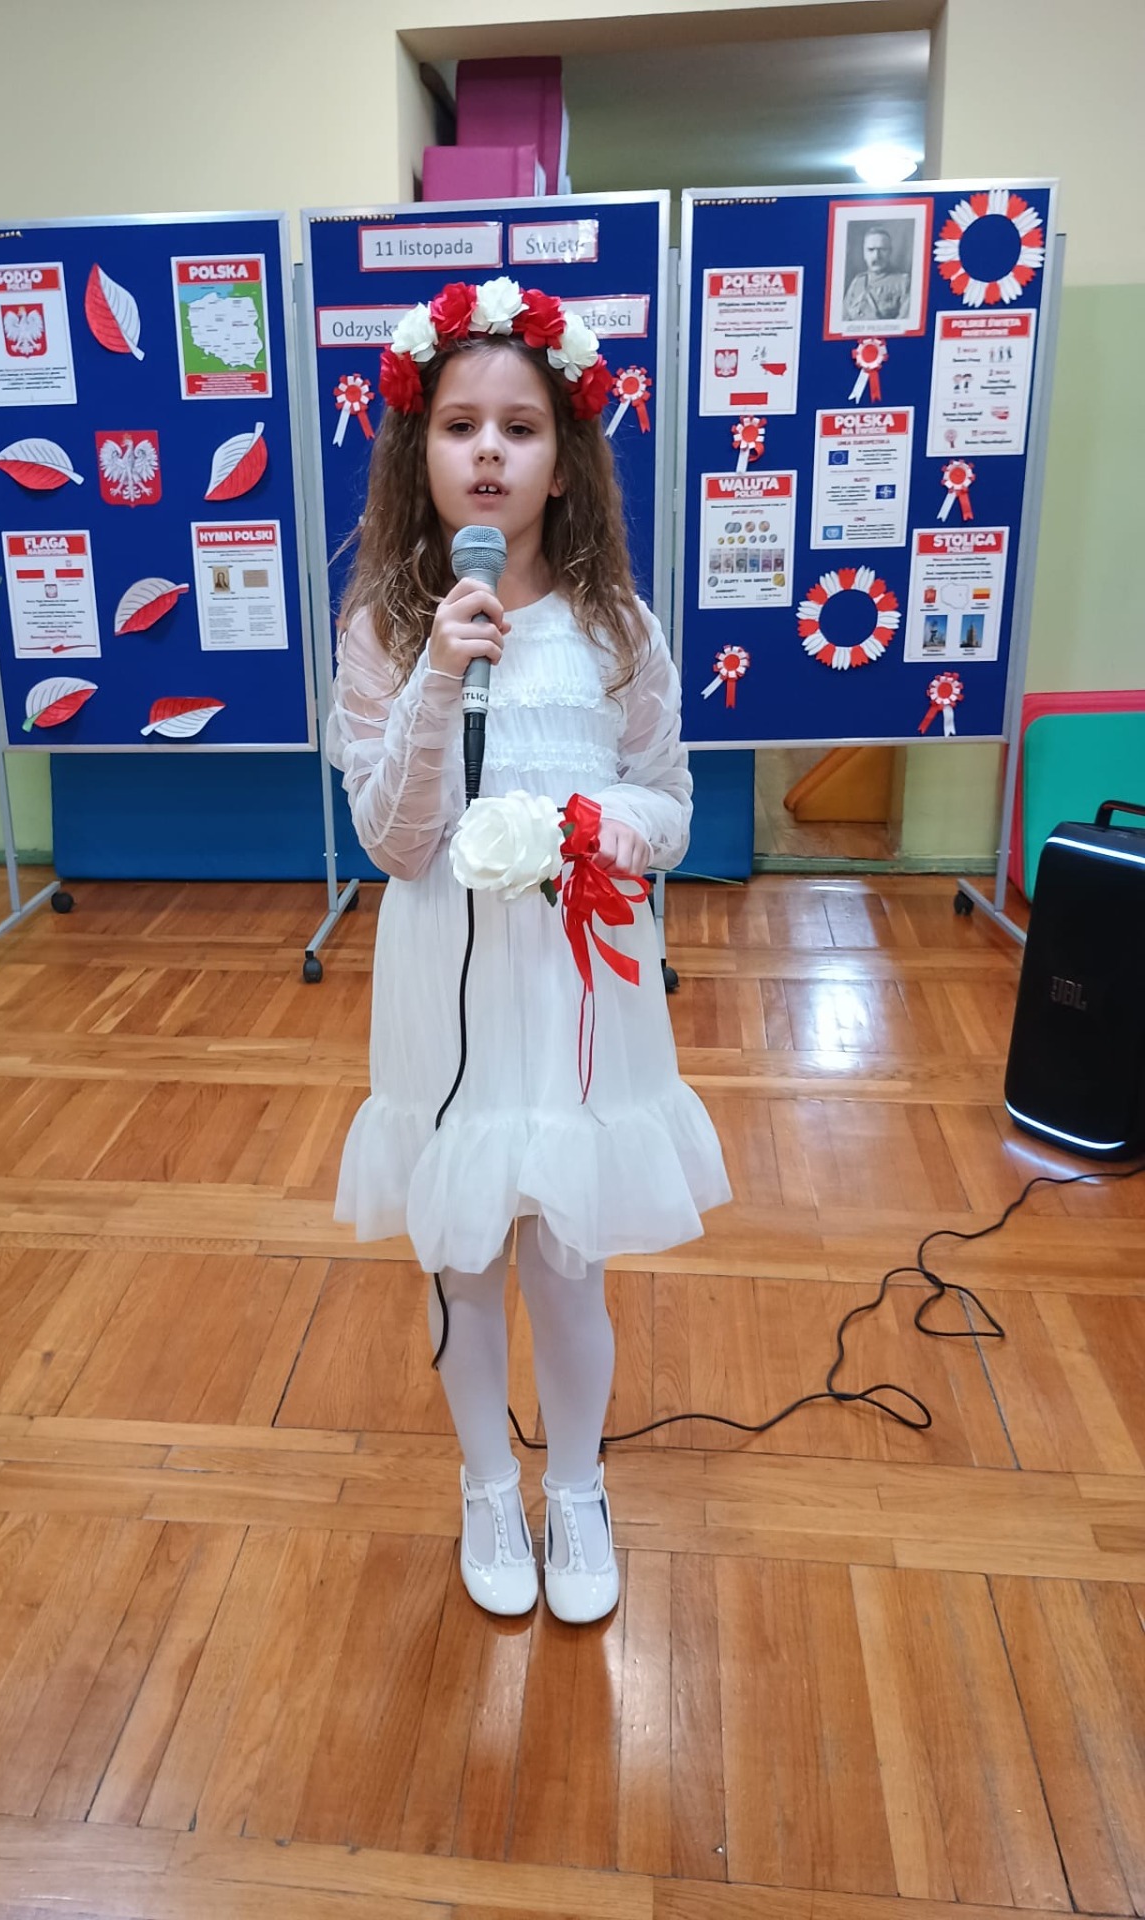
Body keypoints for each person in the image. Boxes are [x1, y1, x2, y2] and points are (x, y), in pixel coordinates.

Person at [326, 279, 730, 1624]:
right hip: (446, 987)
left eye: (520, 427)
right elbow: (393, 841)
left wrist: (600, 826)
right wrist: (440, 673)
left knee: (566, 1256)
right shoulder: (387, 629)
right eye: (459, 426)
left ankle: (580, 1487)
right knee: (463, 1255)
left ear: (565, 460)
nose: (489, 452)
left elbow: (671, 804)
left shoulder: (618, 630)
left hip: (578, 983)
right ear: (420, 453)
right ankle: (487, 1486)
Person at [842, 225, 911, 323]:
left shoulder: (903, 283)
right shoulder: (857, 281)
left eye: (882, 250)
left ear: (890, 252)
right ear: (864, 253)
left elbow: (904, 324)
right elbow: (844, 318)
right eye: (871, 250)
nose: (876, 256)